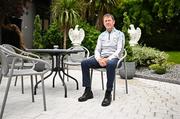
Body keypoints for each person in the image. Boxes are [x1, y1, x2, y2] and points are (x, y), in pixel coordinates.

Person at [78, 13, 125, 106]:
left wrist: (107, 59)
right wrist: (99, 59)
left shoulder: (120, 34)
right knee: (84, 63)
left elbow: (119, 50)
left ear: (113, 22)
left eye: (109, 20)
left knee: (111, 64)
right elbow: (97, 49)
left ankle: (108, 93)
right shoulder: (101, 35)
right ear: (103, 23)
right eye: (105, 21)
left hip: (114, 59)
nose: (107, 22)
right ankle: (88, 91)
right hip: (101, 59)